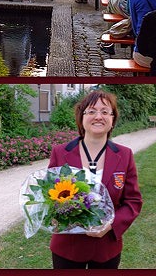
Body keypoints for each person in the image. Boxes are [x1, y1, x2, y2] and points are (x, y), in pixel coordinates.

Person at [46, 90, 141, 269]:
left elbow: (133, 201)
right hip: (67, 247)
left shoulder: (125, 155)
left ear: (113, 119)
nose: (98, 116)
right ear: (81, 117)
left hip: (106, 248)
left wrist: (111, 225)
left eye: (105, 112)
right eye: (91, 111)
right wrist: (56, 216)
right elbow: (49, 196)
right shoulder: (60, 152)